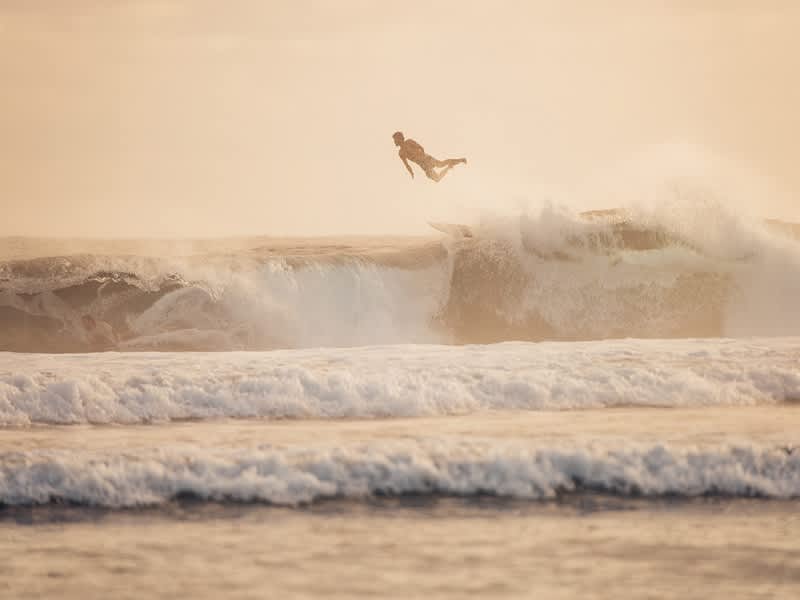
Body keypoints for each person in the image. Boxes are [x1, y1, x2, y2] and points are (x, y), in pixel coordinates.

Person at [392, 131, 466, 182]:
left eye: (395, 139)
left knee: (441, 164)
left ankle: (461, 160)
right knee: (437, 179)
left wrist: (422, 156)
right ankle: (449, 167)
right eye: (394, 140)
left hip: (426, 159)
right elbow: (406, 165)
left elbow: (421, 147)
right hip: (423, 165)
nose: (394, 141)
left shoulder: (408, 142)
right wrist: (411, 172)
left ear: (400, 138)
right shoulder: (401, 153)